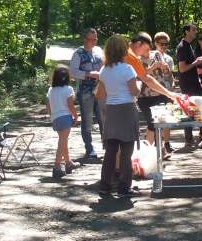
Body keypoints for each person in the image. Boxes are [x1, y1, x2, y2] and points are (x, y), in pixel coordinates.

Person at [94, 35, 143, 197]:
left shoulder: (104, 70)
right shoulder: (127, 69)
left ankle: (105, 186)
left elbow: (99, 94)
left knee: (110, 151)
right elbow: (134, 91)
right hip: (127, 109)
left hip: (112, 110)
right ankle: (124, 187)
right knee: (126, 151)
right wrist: (139, 85)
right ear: (123, 50)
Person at [68, 27, 104, 161]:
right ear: (85, 39)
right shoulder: (78, 53)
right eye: (91, 39)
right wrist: (88, 74)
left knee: (103, 119)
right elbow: (72, 72)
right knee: (87, 120)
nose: (93, 42)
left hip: (101, 90)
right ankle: (90, 149)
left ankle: (107, 147)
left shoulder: (99, 51)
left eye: (95, 39)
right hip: (85, 92)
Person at [141, 31, 176, 155]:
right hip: (145, 96)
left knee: (161, 122)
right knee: (152, 124)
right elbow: (140, 77)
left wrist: (165, 69)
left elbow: (167, 75)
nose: (147, 47)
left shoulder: (156, 54)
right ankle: (148, 153)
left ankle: (160, 149)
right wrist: (152, 67)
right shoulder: (136, 59)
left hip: (160, 94)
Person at [46, 66, 79, 179]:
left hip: (55, 118)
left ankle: (68, 163)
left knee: (63, 141)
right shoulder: (68, 89)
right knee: (62, 141)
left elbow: (47, 105)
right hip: (65, 117)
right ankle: (56, 166)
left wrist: (52, 117)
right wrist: (76, 116)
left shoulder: (51, 90)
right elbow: (70, 105)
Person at [175, 23, 202, 146]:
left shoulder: (188, 45)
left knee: (199, 107)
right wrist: (196, 62)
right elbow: (182, 68)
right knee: (190, 108)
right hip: (188, 84)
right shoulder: (182, 47)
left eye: (196, 30)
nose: (196, 32)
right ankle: (190, 138)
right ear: (186, 31)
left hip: (193, 82)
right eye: (193, 30)